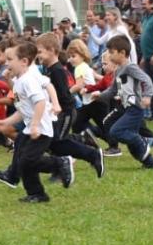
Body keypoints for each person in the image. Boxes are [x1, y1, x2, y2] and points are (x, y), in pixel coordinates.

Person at [0, 41, 71, 203]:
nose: (7, 63)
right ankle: (36, 193)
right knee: (23, 162)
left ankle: (60, 163)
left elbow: (40, 102)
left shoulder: (28, 80)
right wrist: (7, 122)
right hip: (31, 128)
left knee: (28, 160)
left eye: (10, 59)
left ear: (24, 62)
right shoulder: (20, 81)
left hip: (40, 129)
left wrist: (35, 124)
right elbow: (23, 110)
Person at [36, 32, 105, 179]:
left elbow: (64, 95)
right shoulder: (51, 69)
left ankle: (92, 155)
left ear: (52, 50)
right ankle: (61, 168)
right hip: (60, 112)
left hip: (65, 112)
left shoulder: (57, 71)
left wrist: (55, 107)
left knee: (59, 142)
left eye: (40, 52)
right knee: (53, 142)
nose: (38, 55)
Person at [93, 35, 153, 169]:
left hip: (135, 108)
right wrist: (99, 96)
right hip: (126, 108)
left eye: (112, 52)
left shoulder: (130, 67)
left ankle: (145, 140)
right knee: (131, 145)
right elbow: (113, 90)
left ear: (123, 53)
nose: (109, 56)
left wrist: (147, 96)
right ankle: (150, 163)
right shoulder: (118, 70)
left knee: (116, 131)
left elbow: (146, 80)